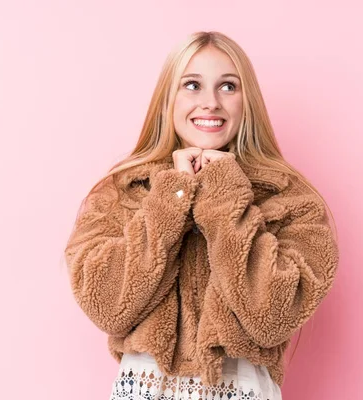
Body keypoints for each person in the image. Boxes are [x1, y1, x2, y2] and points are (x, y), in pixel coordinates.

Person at [64, 31, 340, 400]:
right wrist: (173, 194)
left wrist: (224, 195)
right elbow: (110, 307)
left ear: (248, 102)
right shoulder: (121, 191)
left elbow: (271, 317)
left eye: (228, 86)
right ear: (168, 99)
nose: (210, 102)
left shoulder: (292, 198)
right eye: (192, 85)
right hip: (144, 389)